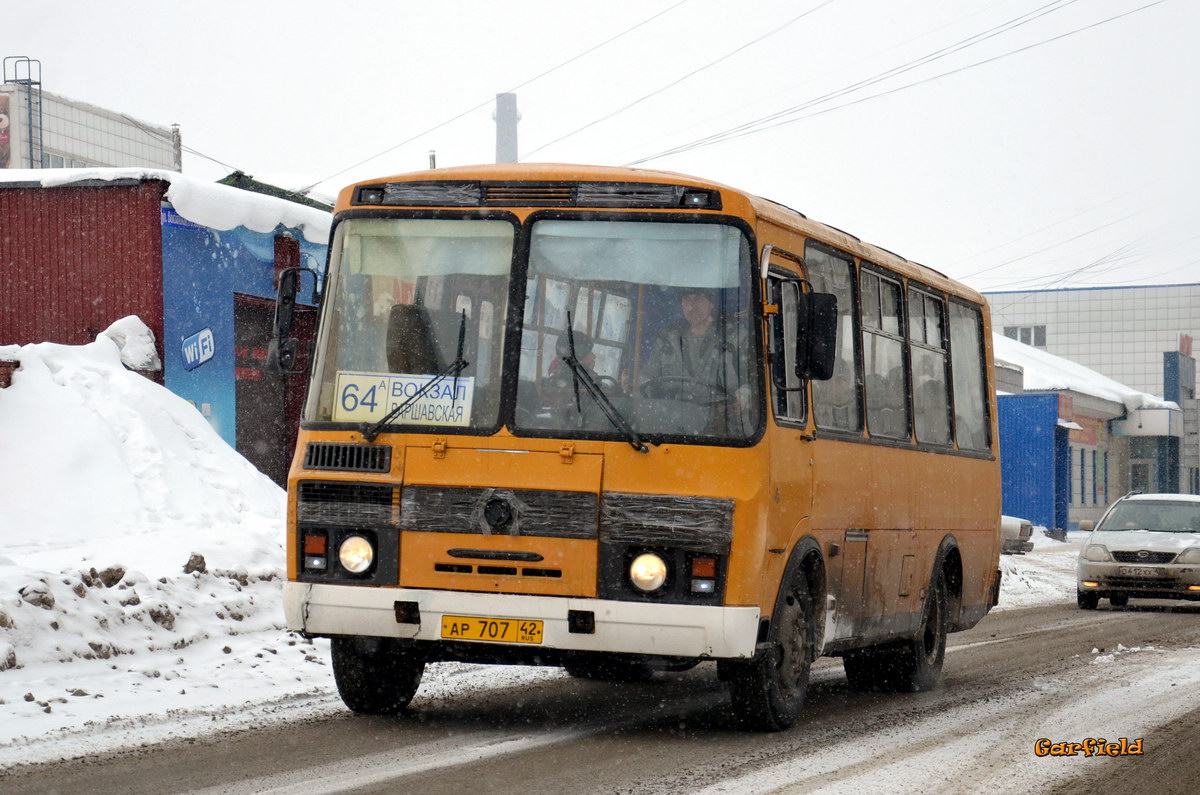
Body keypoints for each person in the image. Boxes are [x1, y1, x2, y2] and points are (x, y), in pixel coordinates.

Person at [640, 288, 753, 432]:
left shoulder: (737, 338)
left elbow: (756, 383)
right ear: (681, 304)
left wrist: (743, 397)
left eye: (699, 298)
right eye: (687, 299)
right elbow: (647, 376)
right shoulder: (667, 340)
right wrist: (639, 386)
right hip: (671, 427)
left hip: (725, 428)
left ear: (711, 303)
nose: (692, 306)